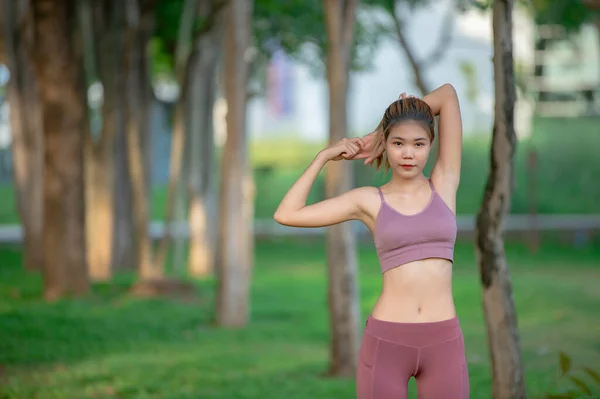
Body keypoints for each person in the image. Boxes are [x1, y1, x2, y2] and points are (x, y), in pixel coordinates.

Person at [273, 83, 467, 399]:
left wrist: (395, 118)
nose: (408, 153)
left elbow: (447, 95)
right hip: (387, 340)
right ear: (386, 147)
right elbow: (287, 213)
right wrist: (324, 157)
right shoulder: (368, 201)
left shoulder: (444, 185)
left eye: (418, 144)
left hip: (443, 339)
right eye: (397, 143)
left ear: (431, 145)